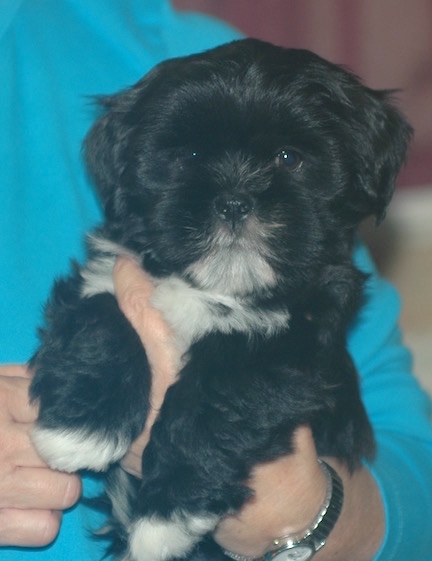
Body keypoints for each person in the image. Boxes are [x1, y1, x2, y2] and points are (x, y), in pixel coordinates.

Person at [1, 1, 432, 560]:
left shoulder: (151, 36)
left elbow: (414, 469)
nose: (236, 196)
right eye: (186, 160)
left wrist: (302, 518)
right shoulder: (120, 259)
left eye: (287, 158)